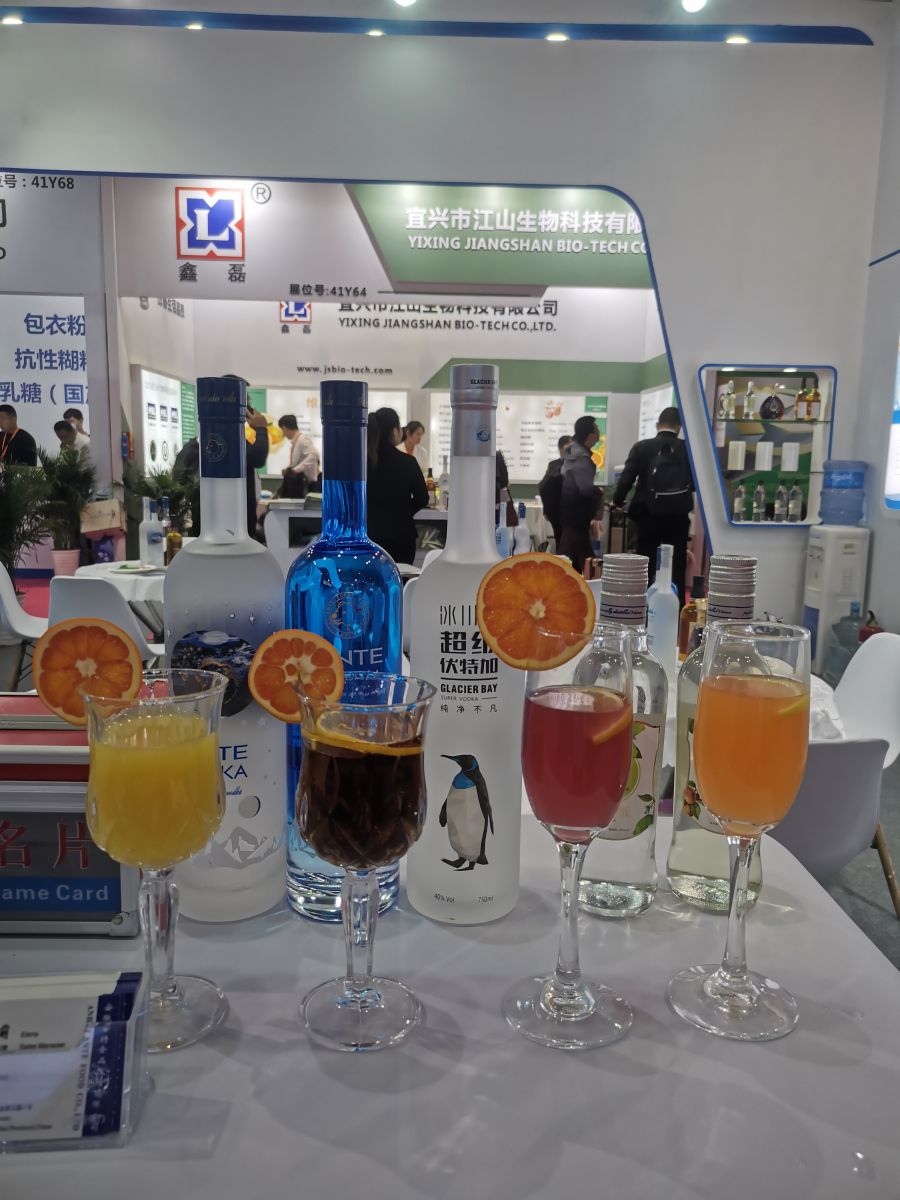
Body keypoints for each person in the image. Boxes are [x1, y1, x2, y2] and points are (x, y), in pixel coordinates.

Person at [611, 405, 694, 607]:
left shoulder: (642, 447)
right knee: (677, 563)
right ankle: (676, 609)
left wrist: (617, 500)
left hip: (648, 514)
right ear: (679, 427)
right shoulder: (687, 449)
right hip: (678, 515)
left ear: (657, 425)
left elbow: (627, 478)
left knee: (646, 563)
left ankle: (644, 607)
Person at [366, 407, 429, 564]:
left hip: (369, 536)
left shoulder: (362, 463)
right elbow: (423, 498)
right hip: (401, 537)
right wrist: (403, 511)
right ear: (395, 431)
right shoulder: (407, 462)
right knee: (401, 577)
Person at [559, 416, 602, 574]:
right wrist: (598, 494)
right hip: (577, 515)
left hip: (570, 514)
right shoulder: (582, 459)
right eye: (596, 430)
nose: (599, 433)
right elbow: (585, 489)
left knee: (572, 556)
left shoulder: (572, 453)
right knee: (575, 558)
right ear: (589, 434)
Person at [538, 434, 573, 549]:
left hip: (571, 510)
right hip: (558, 510)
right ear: (561, 448)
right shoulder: (554, 465)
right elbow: (544, 487)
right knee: (561, 540)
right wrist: (546, 509)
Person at [277, 415, 320, 499]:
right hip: (299, 484)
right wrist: (289, 469)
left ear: (284, 428)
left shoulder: (302, 440)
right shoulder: (296, 441)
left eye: (282, 430)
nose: (283, 433)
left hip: (306, 485)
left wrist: (296, 470)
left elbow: (314, 454)